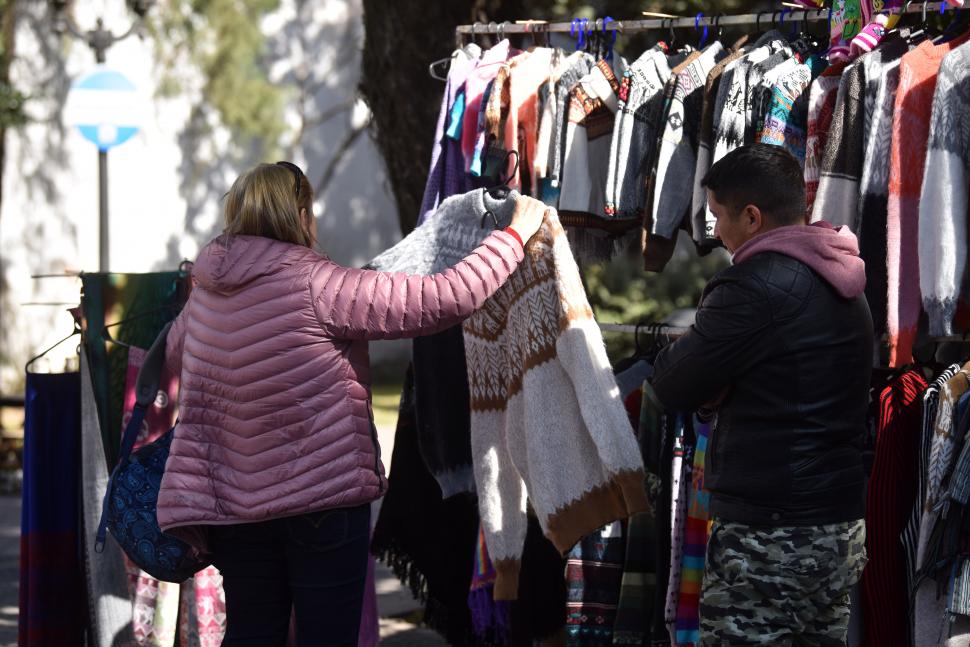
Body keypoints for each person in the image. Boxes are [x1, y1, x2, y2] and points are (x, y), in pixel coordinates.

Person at [155, 162, 548, 646]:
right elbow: (444, 297)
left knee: (252, 636)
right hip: (321, 504)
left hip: (234, 513)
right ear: (302, 216)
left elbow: (169, 357)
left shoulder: (206, 296)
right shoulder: (320, 286)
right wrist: (513, 235)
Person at [650, 144, 872, 646]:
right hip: (836, 525)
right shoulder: (846, 278)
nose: (714, 234)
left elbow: (671, 383)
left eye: (717, 218)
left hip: (769, 532)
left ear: (751, 217)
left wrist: (703, 353)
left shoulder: (752, 287)